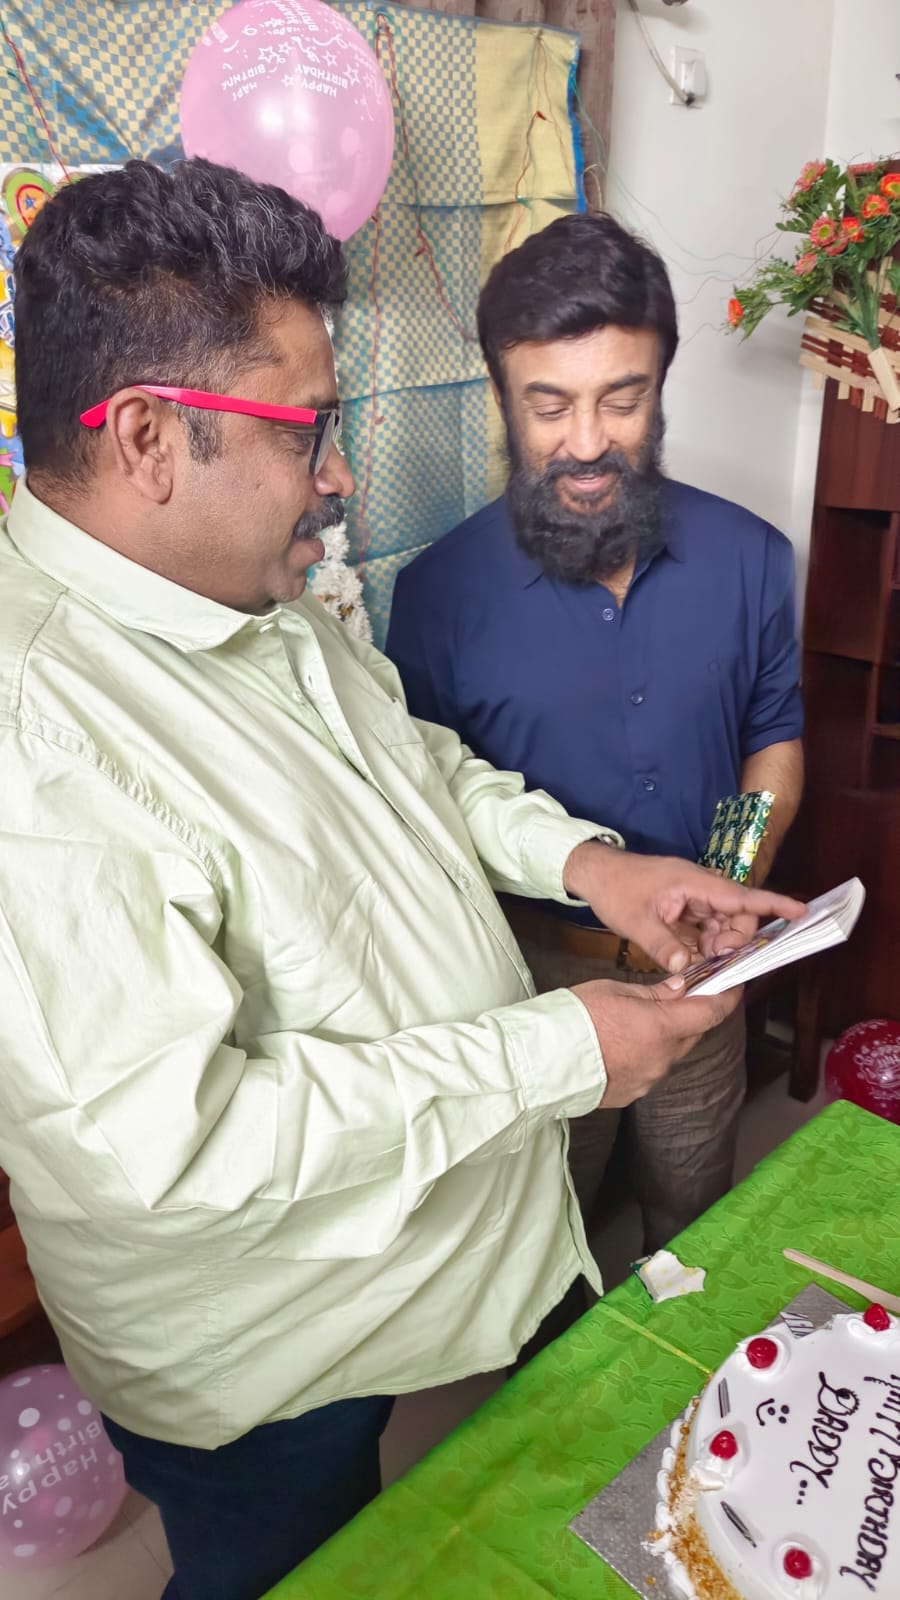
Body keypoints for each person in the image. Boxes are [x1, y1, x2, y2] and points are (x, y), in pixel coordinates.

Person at [0, 164, 802, 1600]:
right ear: (148, 438)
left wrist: (593, 865)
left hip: (400, 1258)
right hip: (269, 1351)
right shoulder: (36, 745)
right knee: (290, 1565)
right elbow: (173, 1144)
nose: (341, 476)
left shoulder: (253, 599)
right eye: (307, 429)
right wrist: (558, 1048)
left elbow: (419, 764)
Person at [387, 211, 804, 1285]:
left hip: (706, 973)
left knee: (694, 1227)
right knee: (541, 1257)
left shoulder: (753, 558)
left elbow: (771, 742)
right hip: (526, 991)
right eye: (550, 405)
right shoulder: (436, 594)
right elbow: (423, 811)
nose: (585, 442)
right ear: (503, 397)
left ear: (660, 388)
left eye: (622, 399)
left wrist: (732, 881)